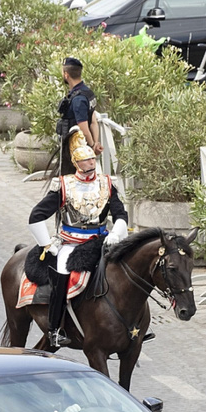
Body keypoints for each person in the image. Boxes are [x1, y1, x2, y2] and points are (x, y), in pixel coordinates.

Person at [28, 127, 128, 348]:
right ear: (77, 163)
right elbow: (36, 215)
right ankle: (55, 329)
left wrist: (116, 233)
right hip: (71, 243)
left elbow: (121, 214)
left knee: (130, 271)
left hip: (102, 239)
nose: (92, 163)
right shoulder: (64, 185)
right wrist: (46, 244)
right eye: (86, 161)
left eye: (93, 159)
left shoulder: (107, 184)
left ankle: (134, 326)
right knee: (62, 274)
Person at [56, 57, 100, 175]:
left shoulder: (78, 99)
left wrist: (91, 147)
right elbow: (93, 121)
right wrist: (96, 142)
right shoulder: (88, 93)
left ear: (66, 75)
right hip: (84, 148)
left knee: (72, 180)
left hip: (77, 150)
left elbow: (83, 127)